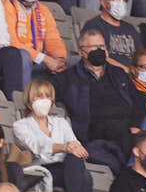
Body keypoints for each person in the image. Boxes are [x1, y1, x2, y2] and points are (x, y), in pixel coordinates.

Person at [51, 29, 141, 174]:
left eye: (102, 47)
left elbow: (139, 101)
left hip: (126, 131)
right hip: (93, 134)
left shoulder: (118, 74)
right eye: (94, 48)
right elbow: (46, 94)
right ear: (81, 52)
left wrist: (136, 125)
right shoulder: (67, 79)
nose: (99, 51)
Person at [11, 79, 92, 192]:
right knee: (85, 177)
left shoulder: (61, 122)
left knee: (76, 160)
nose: (44, 100)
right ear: (29, 101)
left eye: (47, 96)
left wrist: (75, 147)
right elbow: (36, 146)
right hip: (42, 168)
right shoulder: (20, 126)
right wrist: (64, 147)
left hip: (67, 166)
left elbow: (74, 143)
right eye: (39, 96)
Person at [1, 0, 68, 79]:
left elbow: (53, 39)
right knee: (23, 56)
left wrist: (59, 59)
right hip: (15, 60)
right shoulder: (5, 6)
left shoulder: (43, 10)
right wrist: (45, 59)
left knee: (78, 62)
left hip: (40, 60)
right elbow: (11, 42)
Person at [81, 0, 141, 67]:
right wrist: (125, 70)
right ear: (103, 2)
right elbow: (98, 58)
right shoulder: (93, 26)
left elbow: (140, 56)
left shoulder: (130, 28)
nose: (121, 3)